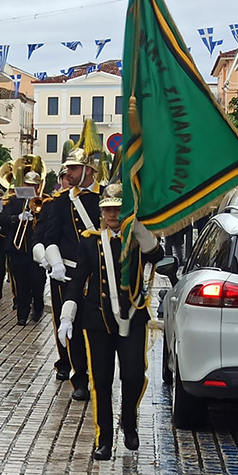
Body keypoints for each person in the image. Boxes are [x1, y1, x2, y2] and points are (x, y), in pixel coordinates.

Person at [58, 183, 163, 460]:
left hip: (132, 317)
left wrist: (138, 227)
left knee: (133, 374)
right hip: (97, 321)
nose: (112, 214)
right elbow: (78, 280)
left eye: (117, 208)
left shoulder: (137, 237)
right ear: (101, 212)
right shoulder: (90, 241)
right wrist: (67, 315)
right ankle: (102, 439)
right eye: (108, 209)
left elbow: (157, 256)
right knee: (101, 381)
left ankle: (129, 421)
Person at [38, 147, 101, 401]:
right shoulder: (61, 202)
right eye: (67, 169)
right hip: (69, 274)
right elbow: (49, 236)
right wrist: (55, 262)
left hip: (98, 275)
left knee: (97, 328)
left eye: (73, 168)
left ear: (88, 170)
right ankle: (80, 378)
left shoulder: (106, 197)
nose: (68, 173)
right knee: (72, 327)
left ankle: (99, 376)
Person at [1, 171, 46, 326]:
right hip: (17, 249)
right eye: (28, 185)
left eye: (34, 185)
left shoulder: (45, 201)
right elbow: (3, 219)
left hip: (37, 249)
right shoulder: (14, 201)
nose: (31, 187)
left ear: (39, 186)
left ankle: (38, 307)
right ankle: (22, 314)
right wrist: (17, 218)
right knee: (21, 283)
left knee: (38, 281)